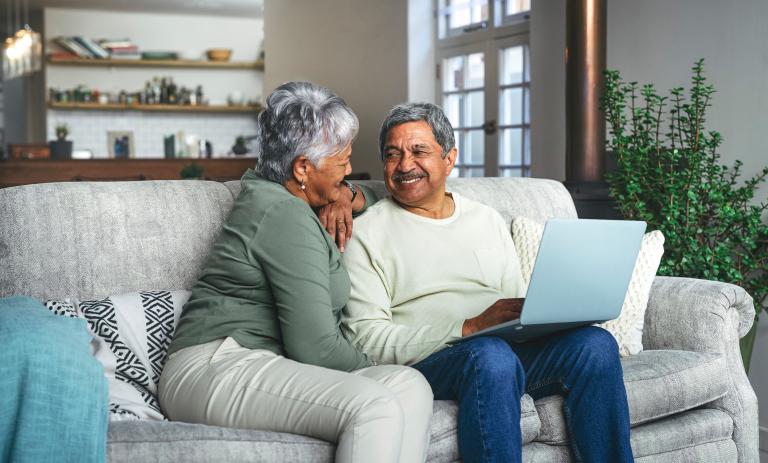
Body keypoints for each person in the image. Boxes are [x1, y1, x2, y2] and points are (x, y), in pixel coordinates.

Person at [341, 102, 634, 463]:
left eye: (419, 151)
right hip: (429, 362)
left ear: (449, 159)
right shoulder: (366, 233)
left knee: (595, 344)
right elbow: (365, 339)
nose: (404, 165)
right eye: (392, 154)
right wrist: (468, 327)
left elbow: (511, 309)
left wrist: (546, 315)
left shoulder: (486, 219)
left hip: (500, 352)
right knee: (491, 356)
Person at [159, 83, 433, 463]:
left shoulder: (287, 195)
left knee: (409, 385)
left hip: (256, 361)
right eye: (342, 161)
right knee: (374, 405)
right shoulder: (282, 214)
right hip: (214, 366)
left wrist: (345, 193)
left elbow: (371, 193)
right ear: (303, 167)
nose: (350, 169)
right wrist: (371, 365)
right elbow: (315, 346)